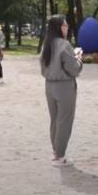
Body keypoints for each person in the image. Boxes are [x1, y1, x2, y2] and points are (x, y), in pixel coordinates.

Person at [41, 14, 83, 168]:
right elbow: (74, 69)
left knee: (55, 119)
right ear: (59, 27)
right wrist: (78, 57)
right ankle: (59, 156)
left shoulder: (46, 44)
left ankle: (55, 151)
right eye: (65, 25)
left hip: (49, 85)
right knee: (65, 120)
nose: (67, 27)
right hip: (64, 86)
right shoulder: (65, 45)